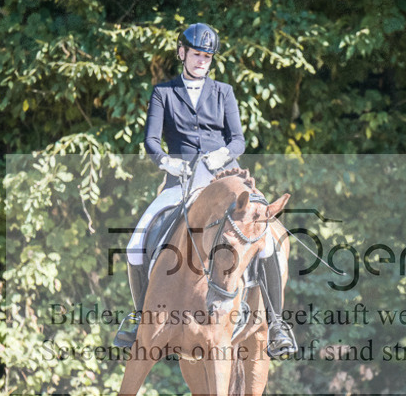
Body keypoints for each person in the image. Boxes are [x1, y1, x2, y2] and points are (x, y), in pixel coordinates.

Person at [113, 22, 296, 358]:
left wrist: (220, 156)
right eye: (197, 54)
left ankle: (277, 323)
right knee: (135, 244)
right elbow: (151, 141)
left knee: (267, 241)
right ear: (182, 53)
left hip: (222, 180)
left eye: (207, 56)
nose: (202, 61)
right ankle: (141, 318)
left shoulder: (223, 91)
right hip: (179, 182)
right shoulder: (163, 93)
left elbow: (237, 139)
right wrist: (169, 163)